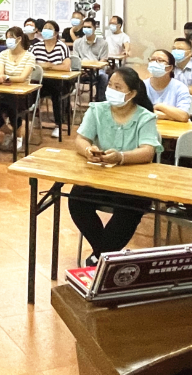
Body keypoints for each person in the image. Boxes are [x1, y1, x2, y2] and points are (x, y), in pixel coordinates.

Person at [68, 66, 160, 266]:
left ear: (132, 94)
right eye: (110, 85)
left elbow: (148, 151)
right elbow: (81, 139)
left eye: (118, 87)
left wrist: (121, 157)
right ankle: (104, 255)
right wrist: (88, 150)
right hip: (101, 177)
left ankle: (100, 258)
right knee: (76, 200)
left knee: (129, 208)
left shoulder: (145, 117)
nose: (111, 90)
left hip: (133, 183)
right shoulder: (97, 110)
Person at [0, 26, 37, 152]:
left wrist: (7, 78)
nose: (8, 40)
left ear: (19, 39)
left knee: (13, 106)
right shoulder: (3, 54)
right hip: (5, 92)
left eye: (11, 38)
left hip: (23, 94)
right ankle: (9, 133)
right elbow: (0, 73)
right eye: (7, 38)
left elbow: (22, 78)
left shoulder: (29, 56)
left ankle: (19, 137)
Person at [31, 19, 72, 139]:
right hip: (41, 81)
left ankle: (58, 124)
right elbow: (29, 63)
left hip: (59, 82)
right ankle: (28, 120)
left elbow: (66, 67)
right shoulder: (36, 47)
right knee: (29, 90)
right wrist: (41, 67)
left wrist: (49, 66)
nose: (46, 30)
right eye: (45, 28)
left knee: (56, 92)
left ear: (56, 33)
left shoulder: (62, 47)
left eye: (49, 28)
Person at [145, 49, 192, 122]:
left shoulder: (180, 88)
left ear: (170, 68)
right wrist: (171, 116)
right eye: (152, 60)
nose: (155, 63)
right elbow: (137, 113)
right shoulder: (142, 85)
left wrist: (159, 106)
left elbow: (183, 116)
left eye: (160, 60)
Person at [72, 18, 110, 101]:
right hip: (81, 70)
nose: (86, 29)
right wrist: (82, 70)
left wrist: (92, 69)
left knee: (104, 77)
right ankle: (67, 105)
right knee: (68, 77)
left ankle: (100, 101)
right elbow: (75, 59)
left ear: (94, 28)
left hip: (97, 70)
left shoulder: (103, 43)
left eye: (89, 27)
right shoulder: (77, 43)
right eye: (84, 27)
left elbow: (103, 60)